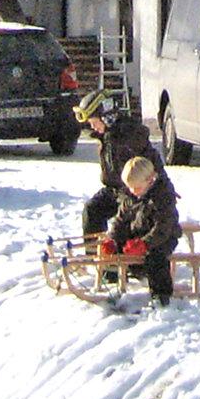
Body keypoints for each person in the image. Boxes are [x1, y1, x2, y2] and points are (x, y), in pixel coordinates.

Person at [75, 89, 161, 242]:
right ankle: (95, 255)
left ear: (106, 117)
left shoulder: (130, 134)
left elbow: (152, 161)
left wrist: (162, 186)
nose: (93, 127)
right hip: (114, 190)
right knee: (92, 210)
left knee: (124, 223)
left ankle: (117, 256)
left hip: (134, 191)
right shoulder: (106, 136)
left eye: (94, 122)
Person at [98, 155, 181, 306]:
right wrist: (113, 239)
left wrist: (145, 244)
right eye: (130, 187)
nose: (133, 191)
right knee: (118, 245)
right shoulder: (130, 196)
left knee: (156, 257)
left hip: (162, 237)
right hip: (138, 233)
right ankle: (112, 278)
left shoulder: (162, 196)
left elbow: (163, 227)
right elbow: (120, 220)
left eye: (136, 188)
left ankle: (161, 295)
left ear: (150, 180)